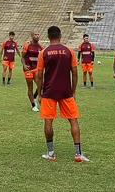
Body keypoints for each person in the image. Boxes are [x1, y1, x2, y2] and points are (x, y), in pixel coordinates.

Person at [37, 25, 88, 162]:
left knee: (48, 121)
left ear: (48, 37)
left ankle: (51, 153)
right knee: (73, 120)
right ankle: (78, 154)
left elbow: (40, 75)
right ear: (60, 36)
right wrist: (73, 91)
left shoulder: (44, 53)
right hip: (66, 91)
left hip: (49, 92)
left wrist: (40, 93)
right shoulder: (69, 51)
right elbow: (75, 72)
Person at [22, 31, 43, 112]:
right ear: (32, 36)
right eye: (35, 35)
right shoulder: (27, 45)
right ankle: (33, 105)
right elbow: (22, 57)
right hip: (28, 69)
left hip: (36, 68)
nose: (37, 36)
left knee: (40, 85)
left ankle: (34, 97)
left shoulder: (40, 46)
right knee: (30, 87)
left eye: (38, 34)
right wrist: (24, 65)